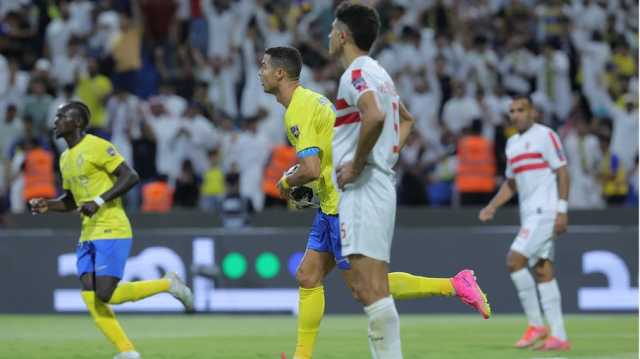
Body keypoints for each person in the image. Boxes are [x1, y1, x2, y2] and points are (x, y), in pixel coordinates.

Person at [260, 26, 487, 359]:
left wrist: (286, 182)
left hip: (342, 206)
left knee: (366, 288)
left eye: (264, 67)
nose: (259, 73)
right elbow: (325, 159)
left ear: (280, 73)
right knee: (308, 275)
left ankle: (454, 284)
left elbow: (309, 169)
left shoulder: (300, 108)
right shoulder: (309, 102)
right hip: (330, 203)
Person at [29, 101, 193, 359]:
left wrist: (99, 201)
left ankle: (167, 284)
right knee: (90, 295)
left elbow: (130, 176)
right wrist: (47, 205)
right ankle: (128, 353)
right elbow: (71, 200)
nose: (56, 121)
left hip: (112, 227)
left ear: (78, 122)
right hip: (88, 231)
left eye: (62, 116)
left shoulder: (96, 146)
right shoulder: (64, 158)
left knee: (106, 294)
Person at [479, 95, 571, 351]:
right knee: (542, 269)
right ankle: (559, 336)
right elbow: (512, 183)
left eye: (521, 110)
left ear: (533, 112)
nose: (516, 114)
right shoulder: (512, 144)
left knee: (514, 260)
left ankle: (536, 325)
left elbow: (563, 171)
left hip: (546, 211)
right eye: (512, 111)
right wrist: (492, 206)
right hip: (529, 214)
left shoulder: (546, 135)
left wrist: (562, 210)